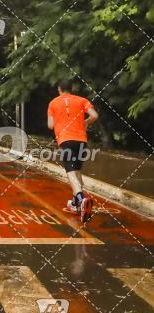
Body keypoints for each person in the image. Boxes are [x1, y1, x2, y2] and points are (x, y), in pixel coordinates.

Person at [47, 78, 99, 224]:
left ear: (59, 89)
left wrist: (60, 119)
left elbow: (50, 125)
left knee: (70, 173)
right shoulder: (82, 100)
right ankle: (76, 203)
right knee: (77, 171)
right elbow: (94, 115)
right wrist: (85, 122)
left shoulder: (53, 103)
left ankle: (81, 199)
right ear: (71, 88)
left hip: (66, 140)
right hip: (81, 140)